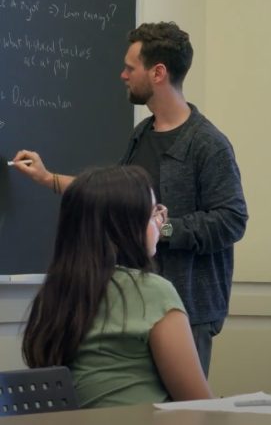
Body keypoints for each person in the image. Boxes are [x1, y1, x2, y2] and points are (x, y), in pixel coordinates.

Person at [13, 22, 248, 377]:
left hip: (187, 310)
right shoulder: (141, 134)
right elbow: (114, 200)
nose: (123, 75)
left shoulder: (208, 144)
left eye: (130, 67)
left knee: (178, 413)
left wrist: (159, 228)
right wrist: (49, 179)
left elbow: (232, 220)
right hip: (130, 303)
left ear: (158, 73)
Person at [22, 165, 213, 408]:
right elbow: (197, 405)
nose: (159, 222)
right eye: (153, 212)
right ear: (126, 224)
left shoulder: (53, 295)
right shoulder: (151, 290)